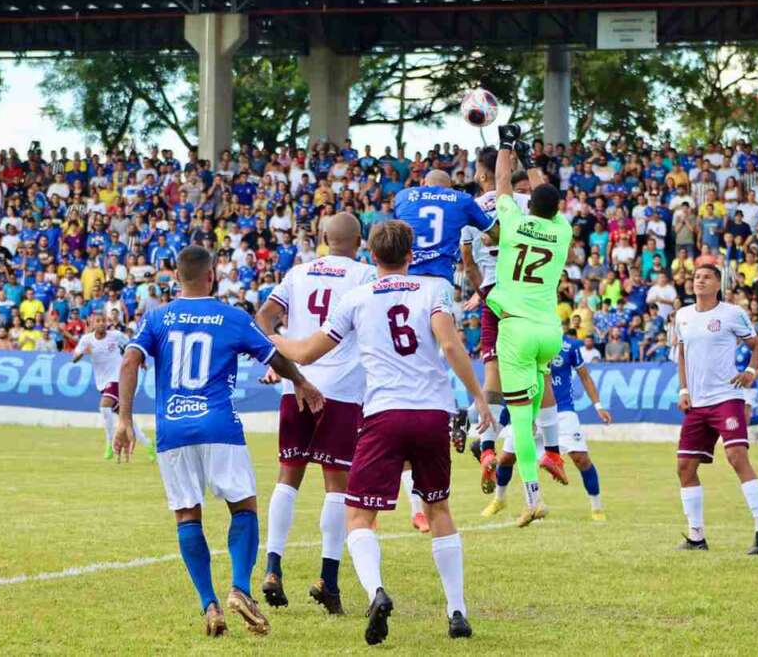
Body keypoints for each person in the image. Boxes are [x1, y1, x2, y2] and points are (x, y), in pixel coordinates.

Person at [270, 221, 493, 645]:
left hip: (383, 416)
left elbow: (305, 351)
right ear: (412, 254)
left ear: (372, 257)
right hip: (432, 413)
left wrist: (269, 339)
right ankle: (457, 611)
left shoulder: (357, 298)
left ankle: (375, 591)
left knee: (359, 516)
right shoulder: (434, 290)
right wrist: (478, 396)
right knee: (439, 509)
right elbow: (449, 347)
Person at [114, 245, 325, 638]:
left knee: (187, 515)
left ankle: (209, 603)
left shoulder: (157, 318)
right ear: (212, 276)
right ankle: (241, 589)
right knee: (243, 507)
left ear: (177, 276)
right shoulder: (232, 317)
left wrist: (125, 419)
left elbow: (128, 361)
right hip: (218, 426)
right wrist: (300, 381)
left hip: (173, 430)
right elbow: (272, 354)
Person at [253, 213, 376, 615]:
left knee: (288, 477)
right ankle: (329, 578)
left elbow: (264, 317)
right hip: (341, 390)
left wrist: (278, 355)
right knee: (336, 485)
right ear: (359, 240)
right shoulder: (365, 275)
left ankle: (272, 566)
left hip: (297, 383)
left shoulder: (299, 273)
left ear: (323, 237)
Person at [481, 124, 573, 527]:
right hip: (550, 331)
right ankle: (548, 451)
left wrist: (506, 145)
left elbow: (502, 180)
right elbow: (543, 189)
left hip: (516, 329)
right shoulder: (562, 230)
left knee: (518, 418)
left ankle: (532, 497)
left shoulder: (516, 223)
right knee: (530, 412)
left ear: (529, 202)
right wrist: (532, 159)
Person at [674, 264, 758, 554]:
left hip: (726, 398)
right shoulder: (683, 316)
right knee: (684, 467)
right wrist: (683, 390)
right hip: (697, 402)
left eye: (706, 277)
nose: (700, 281)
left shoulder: (732, 314)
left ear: (718, 283)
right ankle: (696, 537)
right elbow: (682, 353)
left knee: (736, 456)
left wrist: (751, 373)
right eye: (696, 277)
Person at [458, 147, 532, 492]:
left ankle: (487, 448)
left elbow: (468, 262)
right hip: (523, 292)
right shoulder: (520, 202)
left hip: (491, 293)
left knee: (492, 375)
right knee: (527, 378)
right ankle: (522, 444)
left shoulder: (469, 210)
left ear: (484, 174)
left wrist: (481, 290)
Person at [484, 332, 613, 520]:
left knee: (581, 459)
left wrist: (598, 406)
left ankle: (597, 507)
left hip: (562, 411)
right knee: (505, 459)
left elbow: (585, 377)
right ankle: (499, 499)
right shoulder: (526, 341)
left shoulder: (570, 346)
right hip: (531, 409)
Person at [392, 168, 495, 297]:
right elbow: (494, 231)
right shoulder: (462, 199)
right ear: (450, 186)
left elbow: (394, 233)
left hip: (409, 276)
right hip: (441, 277)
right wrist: (491, 238)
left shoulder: (403, 196)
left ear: (423, 183)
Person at [72, 313, 155, 461]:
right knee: (125, 418)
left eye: (104, 320)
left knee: (105, 405)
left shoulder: (116, 335)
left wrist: (141, 360)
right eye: (98, 321)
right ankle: (148, 444)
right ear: (92, 323)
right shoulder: (87, 340)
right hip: (102, 382)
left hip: (118, 377)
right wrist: (83, 353)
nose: (102, 323)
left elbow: (133, 347)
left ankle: (109, 444)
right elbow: (74, 358)